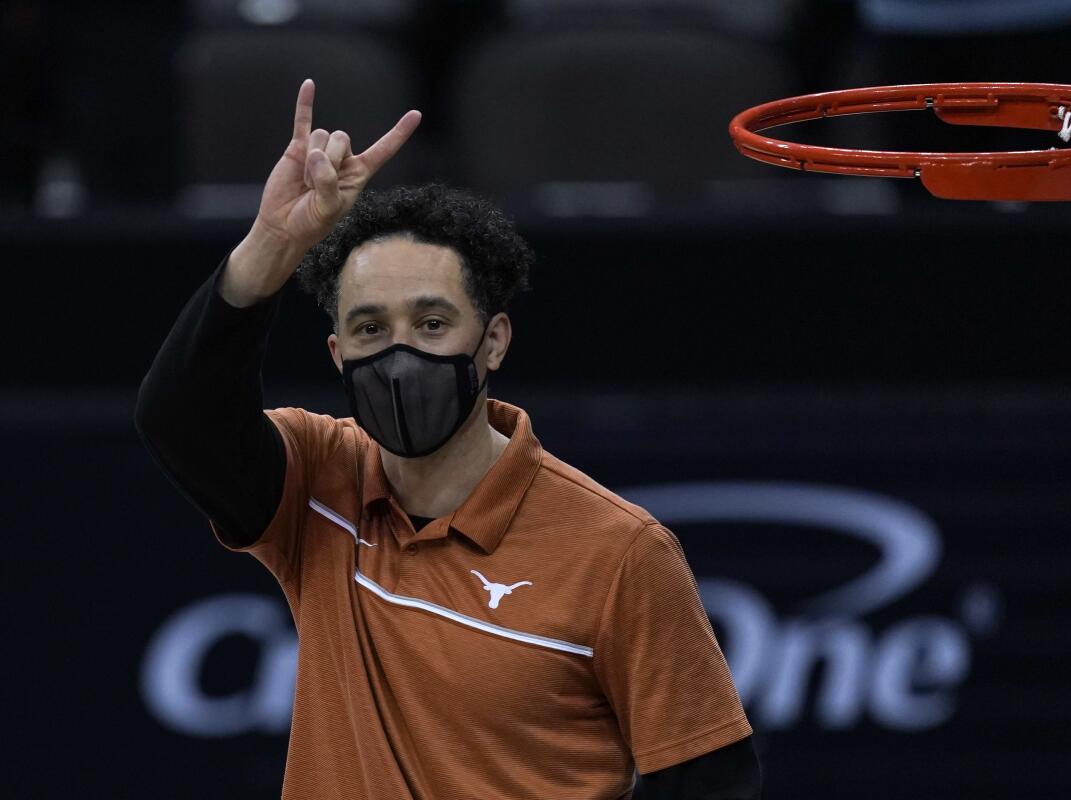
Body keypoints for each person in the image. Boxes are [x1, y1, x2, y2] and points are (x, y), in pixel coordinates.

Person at [134, 78, 760, 799]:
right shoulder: (316, 480)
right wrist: (273, 242)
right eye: (371, 329)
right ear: (338, 355)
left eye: (432, 325)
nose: (400, 356)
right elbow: (179, 417)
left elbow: (713, 783)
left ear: (492, 341)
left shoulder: (620, 552)